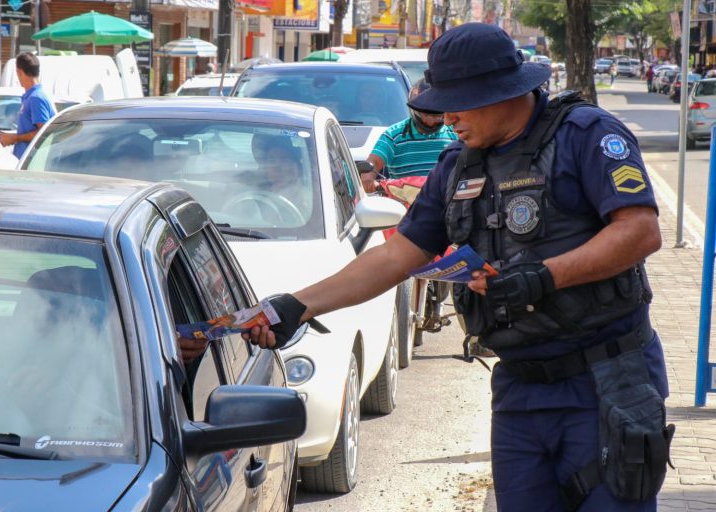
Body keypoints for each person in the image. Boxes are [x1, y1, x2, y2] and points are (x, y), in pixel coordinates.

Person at [246, 23, 670, 511]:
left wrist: (544, 275)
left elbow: (640, 230)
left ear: (500, 93)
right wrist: (296, 306)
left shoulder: (586, 135)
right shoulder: (458, 165)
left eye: (457, 102)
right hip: (520, 388)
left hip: (607, 380)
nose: (447, 117)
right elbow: (397, 255)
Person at [361, 79, 457, 194]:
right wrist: (368, 176)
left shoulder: (456, 133)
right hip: (404, 207)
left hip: (446, 205)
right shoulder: (394, 135)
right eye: (425, 115)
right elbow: (374, 162)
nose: (430, 122)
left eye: (436, 117)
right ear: (413, 110)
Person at [0, 52, 56, 159]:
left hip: (33, 164)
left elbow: (44, 133)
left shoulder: (36, 98)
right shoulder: (31, 96)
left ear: (19, 72)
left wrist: (15, 138)